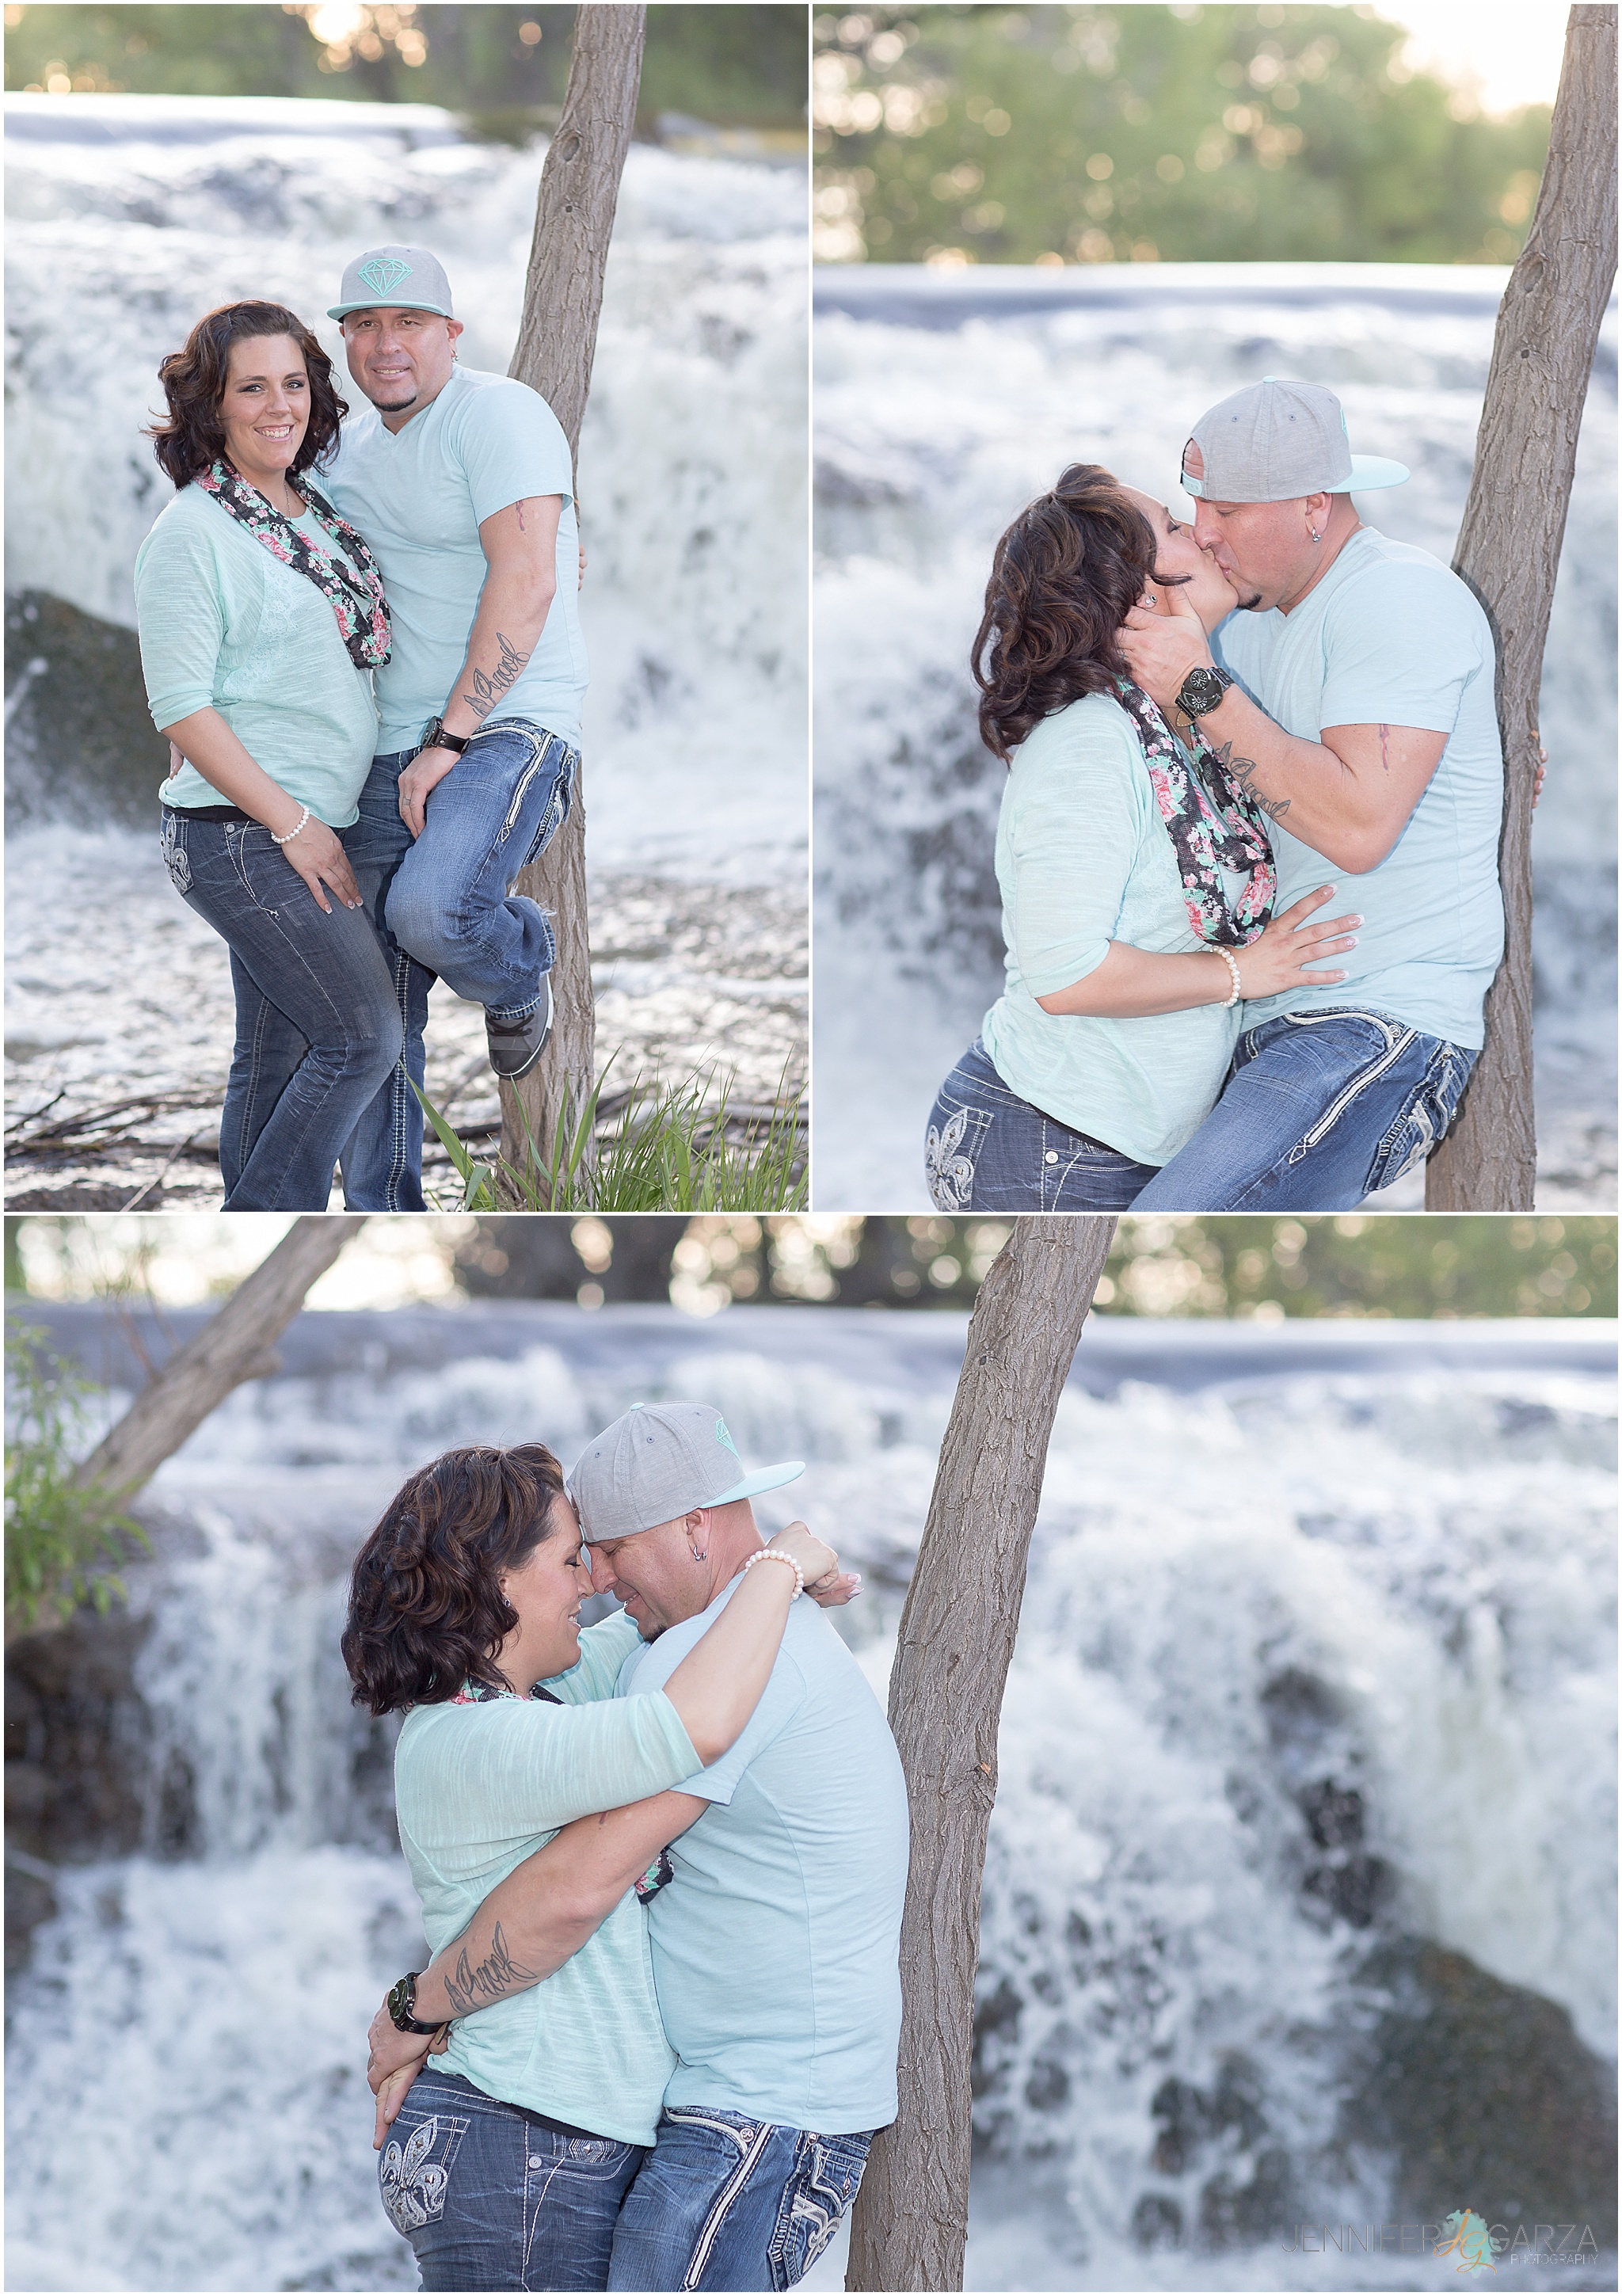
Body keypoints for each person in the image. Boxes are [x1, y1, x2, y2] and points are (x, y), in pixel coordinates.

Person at [365, 1402, 910, 2292]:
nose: (595, 1582)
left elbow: (661, 1650)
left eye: (606, 1550)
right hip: (524, 2139)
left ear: (695, 1525)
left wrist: (772, 1574)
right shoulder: (489, 1734)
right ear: (497, 1583)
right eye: (575, 1557)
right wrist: (777, 1565)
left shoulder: (567, 1684)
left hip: (577, 2132)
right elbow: (681, 1734)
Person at [924, 462, 1361, 1211]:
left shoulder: (1198, 707)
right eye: (1172, 526)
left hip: (1126, 1141)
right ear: (1136, 594)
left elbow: (1338, 772)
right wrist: (1240, 973)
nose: (1201, 529)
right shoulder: (1091, 739)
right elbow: (1066, 975)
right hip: (1045, 1136)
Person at [1120, 376, 1504, 1209]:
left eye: (1228, 510)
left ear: (1312, 507)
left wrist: (1198, 689)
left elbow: (1359, 825)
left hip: (1377, 1021)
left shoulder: (1395, 595)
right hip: (1257, 1015)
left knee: (1166, 1223)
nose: (1203, 532)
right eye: (1195, 506)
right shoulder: (1252, 621)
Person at [322, 246, 587, 1211]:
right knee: (372, 1013)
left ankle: (519, 968)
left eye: (407, 324)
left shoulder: (499, 413)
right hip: (376, 742)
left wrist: (450, 738)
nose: (385, 345)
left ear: (449, 335)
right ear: (343, 338)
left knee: (432, 912)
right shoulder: (343, 450)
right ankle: (385, 1210)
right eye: (363, 325)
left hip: (507, 729)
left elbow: (528, 577)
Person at [135, 299, 400, 1212]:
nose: (278, 405)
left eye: (293, 383)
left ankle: (250, 1213)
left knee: (278, 1054)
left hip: (297, 819)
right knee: (364, 1037)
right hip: (242, 834)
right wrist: (294, 825)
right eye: (252, 387)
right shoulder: (192, 533)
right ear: (212, 405)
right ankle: (264, 1217)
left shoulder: (306, 506)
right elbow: (179, 706)